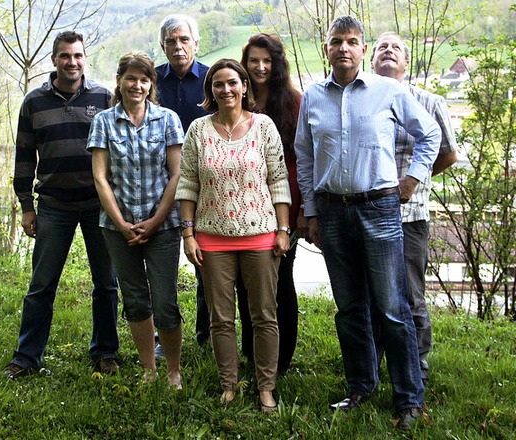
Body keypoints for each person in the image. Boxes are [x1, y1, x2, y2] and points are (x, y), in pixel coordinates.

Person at [294, 16, 441, 430]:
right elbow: (305, 157)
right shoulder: (313, 97)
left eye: (352, 41)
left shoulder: (388, 91)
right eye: (336, 41)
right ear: (327, 49)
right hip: (332, 211)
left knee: (393, 308)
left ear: (363, 49)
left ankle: (409, 399)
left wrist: (412, 177)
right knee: (350, 308)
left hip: (379, 207)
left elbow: (428, 135)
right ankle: (360, 387)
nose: (344, 48)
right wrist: (310, 211)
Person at [176, 59, 291, 411]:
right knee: (220, 318)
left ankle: (265, 386)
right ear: (210, 90)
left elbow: (279, 180)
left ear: (244, 87)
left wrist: (284, 229)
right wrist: (188, 234)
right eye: (217, 84)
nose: (225, 90)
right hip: (211, 239)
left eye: (232, 83)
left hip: (261, 235)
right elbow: (188, 183)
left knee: (263, 315)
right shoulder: (198, 130)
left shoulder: (264, 126)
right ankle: (228, 385)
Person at [5, 31, 120, 379]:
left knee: (106, 283)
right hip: (54, 204)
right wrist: (27, 206)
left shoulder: (104, 97)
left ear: (85, 59)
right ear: (54, 60)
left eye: (78, 56)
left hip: (98, 204)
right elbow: (24, 158)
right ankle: (27, 357)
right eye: (65, 56)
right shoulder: (33, 102)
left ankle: (105, 352)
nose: (72, 62)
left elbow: (119, 152)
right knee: (42, 285)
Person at [88, 51, 184, 388]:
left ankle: (173, 371)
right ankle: (149, 369)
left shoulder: (168, 120)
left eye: (144, 79)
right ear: (120, 81)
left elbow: (176, 175)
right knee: (135, 301)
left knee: (165, 302)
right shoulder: (103, 122)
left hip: (163, 227)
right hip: (118, 228)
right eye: (131, 78)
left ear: (151, 84)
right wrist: (122, 223)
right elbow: (101, 178)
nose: (137, 85)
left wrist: (156, 221)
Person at [370, 32, 458, 383]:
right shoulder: (363, 102)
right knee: (371, 295)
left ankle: (416, 364)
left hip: (410, 216)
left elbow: (448, 153)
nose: (388, 51)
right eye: (381, 48)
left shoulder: (429, 101)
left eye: (396, 48)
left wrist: (414, 181)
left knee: (410, 294)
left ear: (406, 63)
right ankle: (371, 365)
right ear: (370, 60)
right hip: (368, 214)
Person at [237, 33, 303, 375]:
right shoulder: (238, 99)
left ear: (277, 64)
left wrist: (303, 211)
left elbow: (304, 160)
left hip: (281, 210)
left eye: (267, 60)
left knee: (279, 283)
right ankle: (253, 354)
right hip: (243, 210)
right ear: (244, 63)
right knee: (247, 285)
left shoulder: (293, 102)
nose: (260, 67)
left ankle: (280, 360)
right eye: (253, 60)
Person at [156, 14, 211, 351]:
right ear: (163, 45)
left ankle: (206, 335)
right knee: (162, 265)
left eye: (184, 39)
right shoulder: (151, 81)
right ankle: (166, 334)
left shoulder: (211, 80)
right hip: (157, 185)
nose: (178, 46)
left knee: (206, 262)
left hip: (204, 187)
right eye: (171, 41)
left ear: (196, 42)